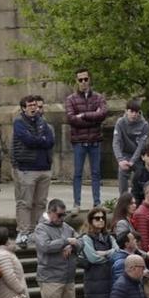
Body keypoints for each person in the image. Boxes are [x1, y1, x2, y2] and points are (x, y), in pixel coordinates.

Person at [10, 94, 55, 243]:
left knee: (41, 202)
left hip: (44, 167)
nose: (34, 108)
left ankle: (38, 230)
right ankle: (23, 231)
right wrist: (40, 140)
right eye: (30, 106)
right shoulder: (19, 123)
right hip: (27, 168)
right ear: (23, 108)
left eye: (35, 105)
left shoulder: (44, 123)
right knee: (25, 202)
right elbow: (27, 140)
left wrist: (39, 140)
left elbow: (50, 141)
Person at [63, 71, 108, 209]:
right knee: (77, 174)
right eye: (80, 80)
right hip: (79, 142)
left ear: (90, 80)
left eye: (85, 79)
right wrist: (93, 118)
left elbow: (103, 114)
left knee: (96, 173)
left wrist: (83, 115)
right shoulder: (71, 99)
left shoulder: (99, 97)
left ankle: (97, 202)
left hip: (95, 141)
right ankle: (77, 203)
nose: (83, 82)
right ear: (76, 81)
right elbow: (71, 119)